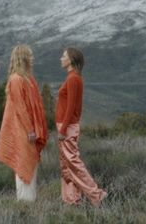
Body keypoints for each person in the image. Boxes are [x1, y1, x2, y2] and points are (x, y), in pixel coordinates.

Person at [0, 44, 48, 201]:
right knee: (23, 163)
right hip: (23, 131)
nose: (32, 59)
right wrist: (30, 130)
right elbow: (21, 107)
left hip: (28, 131)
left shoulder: (28, 79)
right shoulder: (16, 80)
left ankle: (29, 202)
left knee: (30, 164)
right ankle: (25, 204)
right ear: (23, 58)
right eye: (30, 56)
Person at [56, 47, 107, 206]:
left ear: (71, 60)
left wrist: (63, 129)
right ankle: (71, 200)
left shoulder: (73, 79)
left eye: (63, 56)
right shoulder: (73, 77)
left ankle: (97, 195)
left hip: (67, 127)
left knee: (73, 163)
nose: (60, 58)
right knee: (66, 165)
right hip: (67, 126)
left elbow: (71, 107)